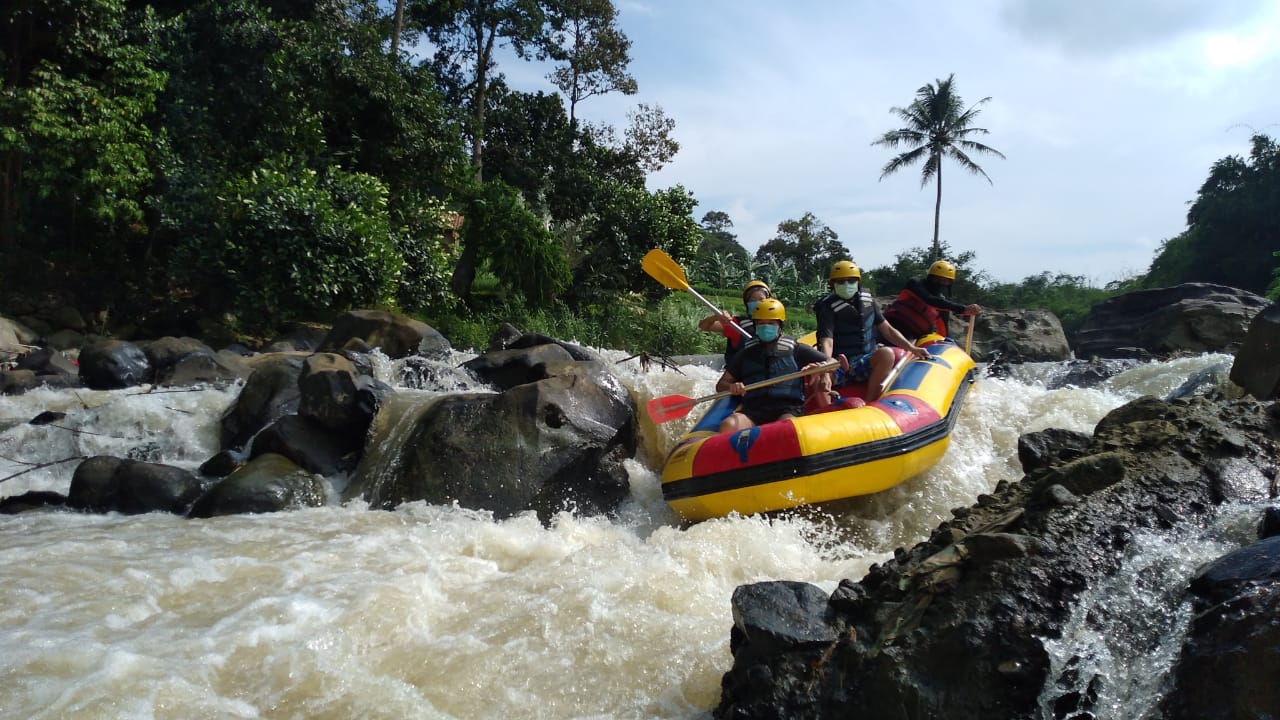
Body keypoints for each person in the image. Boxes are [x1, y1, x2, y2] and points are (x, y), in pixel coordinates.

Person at [813, 260, 928, 402]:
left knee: (886, 353)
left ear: (858, 282)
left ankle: (870, 402)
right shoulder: (827, 308)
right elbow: (827, 341)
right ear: (833, 284)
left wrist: (912, 348)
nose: (846, 285)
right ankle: (826, 412)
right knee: (818, 375)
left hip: (863, 360)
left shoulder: (869, 302)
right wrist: (825, 368)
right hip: (838, 362)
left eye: (851, 281)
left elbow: (887, 330)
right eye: (841, 282)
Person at [716, 298, 833, 433]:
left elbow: (833, 362)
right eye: (761, 323)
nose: (766, 327)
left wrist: (821, 367)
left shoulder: (796, 349)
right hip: (754, 409)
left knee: (785, 428)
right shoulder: (745, 353)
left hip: (787, 408)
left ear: (780, 326)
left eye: (771, 323)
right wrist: (731, 386)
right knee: (728, 425)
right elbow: (720, 385)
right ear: (755, 326)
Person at [882, 260, 981, 341]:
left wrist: (948, 344)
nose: (940, 283)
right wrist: (963, 309)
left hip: (913, 337)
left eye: (945, 281)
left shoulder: (943, 304)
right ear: (930, 277)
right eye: (937, 279)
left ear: (949, 284)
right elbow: (929, 299)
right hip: (890, 326)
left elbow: (944, 332)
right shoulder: (915, 284)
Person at [698, 279, 771, 365]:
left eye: (761, 300)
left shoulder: (774, 324)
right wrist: (716, 317)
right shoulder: (736, 324)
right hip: (739, 372)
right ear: (746, 304)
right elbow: (703, 326)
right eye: (752, 300)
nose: (757, 303)